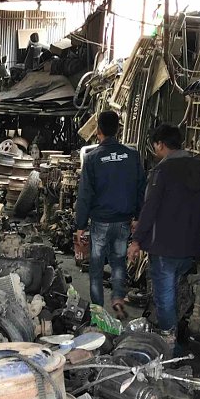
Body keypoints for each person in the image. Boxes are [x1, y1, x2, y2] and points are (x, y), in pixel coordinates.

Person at [128, 123, 200, 349]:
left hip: (165, 245)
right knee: (176, 289)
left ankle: (168, 343)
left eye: (155, 146)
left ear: (160, 144)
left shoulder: (162, 171)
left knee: (164, 294)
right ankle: (172, 332)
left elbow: (150, 207)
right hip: (192, 244)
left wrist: (136, 240)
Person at [75, 111, 146, 318]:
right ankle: (117, 298)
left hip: (100, 221)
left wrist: (80, 225)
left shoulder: (92, 158)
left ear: (98, 131)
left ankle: (98, 310)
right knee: (118, 262)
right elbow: (141, 188)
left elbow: (85, 194)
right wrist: (138, 217)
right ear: (118, 129)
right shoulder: (132, 155)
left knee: (96, 267)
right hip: (123, 220)